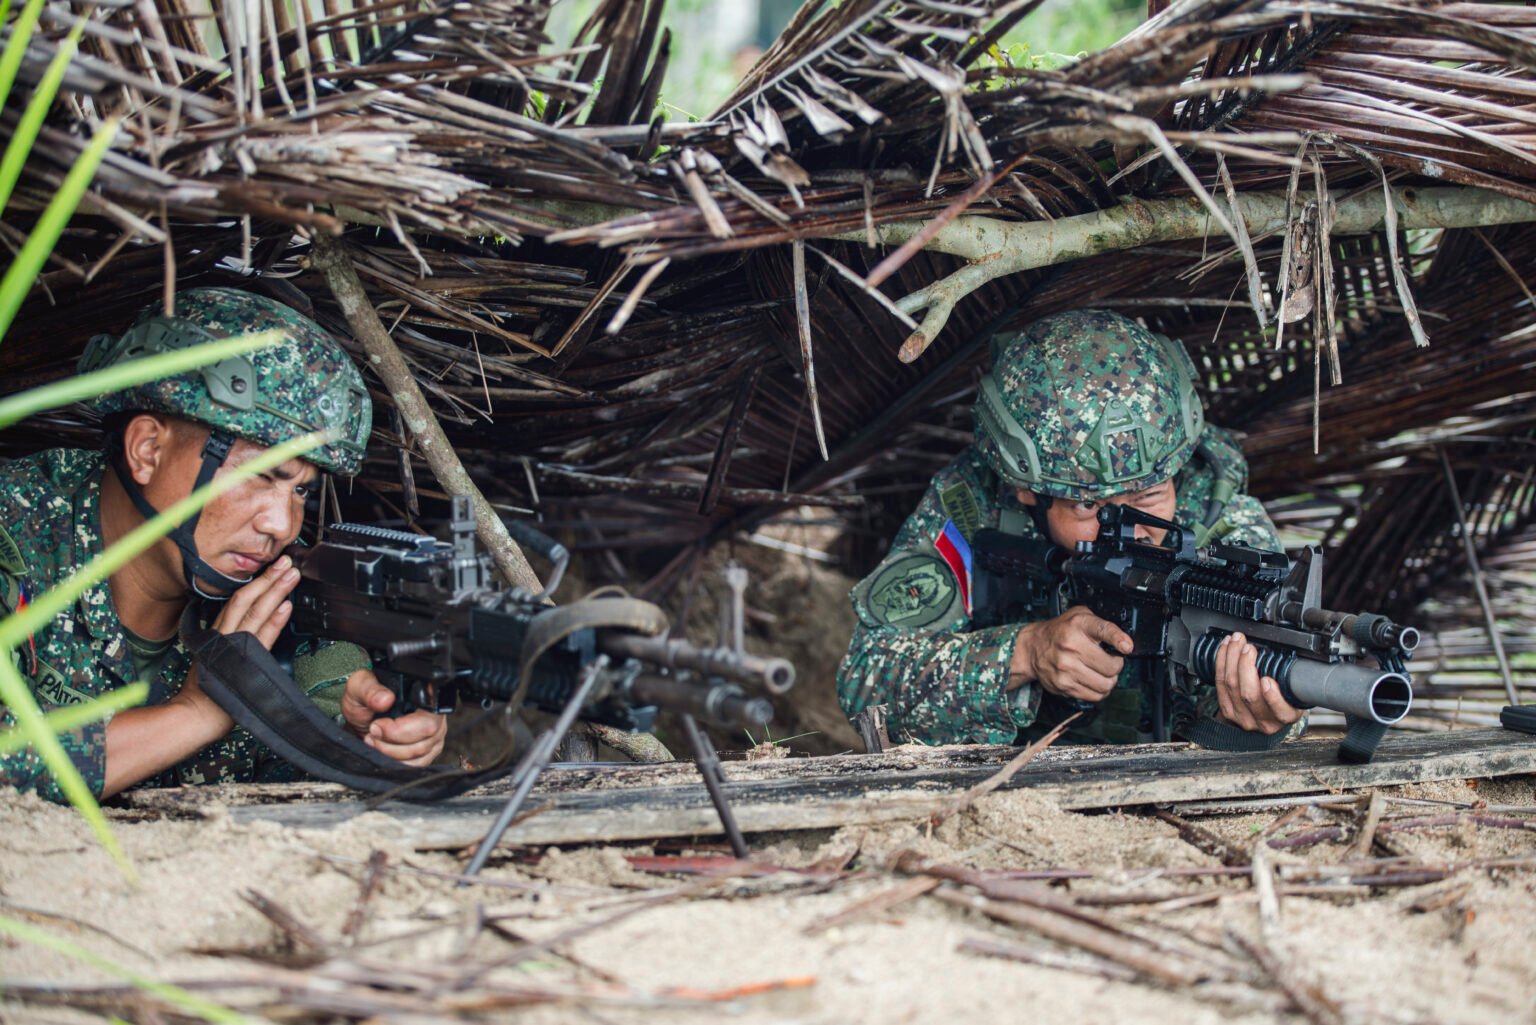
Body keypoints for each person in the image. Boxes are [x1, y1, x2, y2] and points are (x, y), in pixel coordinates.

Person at [0, 287, 447, 802]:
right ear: (148, 449)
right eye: (258, 475)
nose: (282, 524)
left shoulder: (281, 599)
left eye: (301, 489)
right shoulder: (16, 529)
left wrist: (361, 738)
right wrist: (198, 712)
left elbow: (280, 791)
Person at [838, 309, 1305, 747]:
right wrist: (1025, 652)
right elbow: (865, 681)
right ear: (1026, 492)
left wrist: (1249, 712)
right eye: (1088, 506)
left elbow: (1264, 681)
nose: (1131, 530)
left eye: (1149, 497)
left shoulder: (1217, 520)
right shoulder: (970, 512)